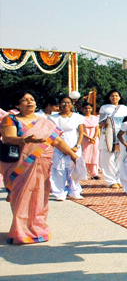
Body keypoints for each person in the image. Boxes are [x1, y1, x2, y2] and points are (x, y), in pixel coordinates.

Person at [1, 90, 79, 244]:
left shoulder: (44, 122)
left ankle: (37, 229)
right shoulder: (11, 119)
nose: (30, 102)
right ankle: (20, 232)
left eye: (32, 99)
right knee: (21, 197)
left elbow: (57, 141)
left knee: (38, 196)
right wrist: (24, 140)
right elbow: (7, 138)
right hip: (19, 166)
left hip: (41, 166)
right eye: (24, 100)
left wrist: (72, 154)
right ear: (17, 104)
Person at [48, 95, 86, 201]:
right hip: (59, 145)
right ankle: (60, 192)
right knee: (59, 169)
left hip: (75, 145)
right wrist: (62, 148)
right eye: (63, 103)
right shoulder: (53, 118)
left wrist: (77, 145)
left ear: (72, 104)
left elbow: (81, 132)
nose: (66, 105)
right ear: (59, 104)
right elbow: (52, 134)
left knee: (74, 168)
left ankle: (74, 191)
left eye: (68, 102)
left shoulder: (78, 117)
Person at [98, 90, 127, 188]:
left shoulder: (125, 109)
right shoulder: (104, 108)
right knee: (107, 158)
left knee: (120, 158)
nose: (114, 98)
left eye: (116, 96)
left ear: (120, 97)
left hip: (121, 134)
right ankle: (111, 181)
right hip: (108, 134)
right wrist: (104, 124)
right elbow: (100, 122)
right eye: (112, 96)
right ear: (109, 97)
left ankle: (119, 179)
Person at [79, 101, 101, 179]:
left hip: (94, 140)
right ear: (82, 109)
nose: (87, 110)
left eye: (89, 108)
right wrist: (89, 137)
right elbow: (80, 130)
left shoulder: (95, 118)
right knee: (85, 155)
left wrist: (95, 137)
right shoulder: (80, 118)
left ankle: (94, 173)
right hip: (84, 139)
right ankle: (84, 173)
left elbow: (97, 128)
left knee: (94, 155)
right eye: (85, 108)